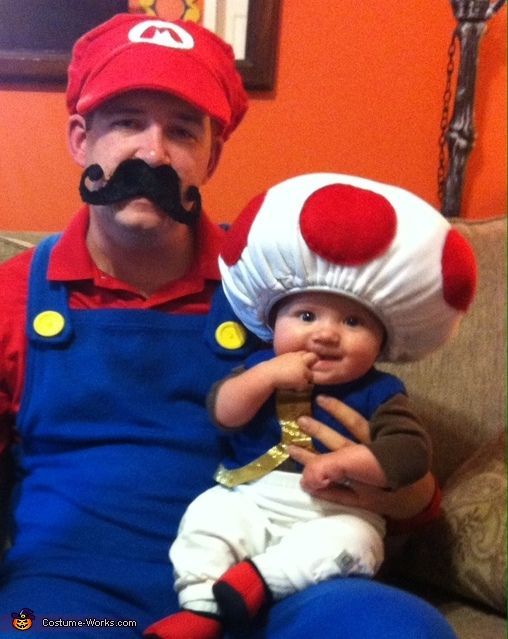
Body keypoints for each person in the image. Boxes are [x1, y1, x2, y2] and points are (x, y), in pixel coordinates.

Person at [0, 13, 461, 639]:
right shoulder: (13, 293)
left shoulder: (286, 293)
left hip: (272, 586)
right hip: (74, 596)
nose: (152, 152)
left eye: (182, 131)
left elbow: (405, 483)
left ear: (212, 154)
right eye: (127, 121)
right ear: (81, 137)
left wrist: (403, 493)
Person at [144, 174, 477, 638]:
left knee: (353, 544)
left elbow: (408, 453)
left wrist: (351, 461)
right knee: (207, 517)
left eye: (353, 321)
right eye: (305, 316)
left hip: (333, 512)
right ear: (271, 321)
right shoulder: (259, 366)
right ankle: (201, 605)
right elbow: (223, 412)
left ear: (382, 342)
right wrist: (264, 377)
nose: (325, 333)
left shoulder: (381, 391)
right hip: (251, 498)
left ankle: (255, 582)